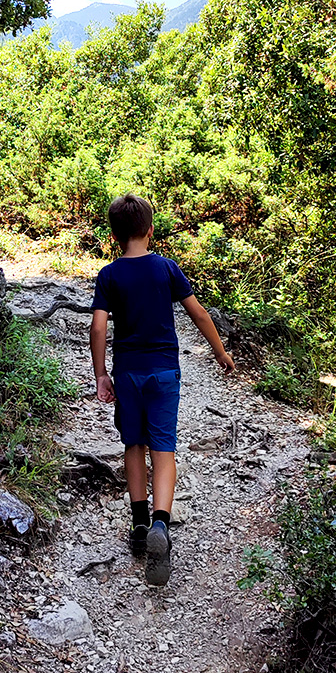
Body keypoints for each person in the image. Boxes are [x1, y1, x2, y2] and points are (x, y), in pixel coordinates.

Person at [89, 194, 236, 586]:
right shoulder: (167, 268)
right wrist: (220, 352)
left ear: (114, 235)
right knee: (163, 448)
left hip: (129, 374)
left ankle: (138, 526)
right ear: (150, 230)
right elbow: (199, 313)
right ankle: (160, 525)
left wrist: (102, 374)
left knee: (132, 445)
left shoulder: (109, 275)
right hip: (165, 374)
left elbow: (99, 327)